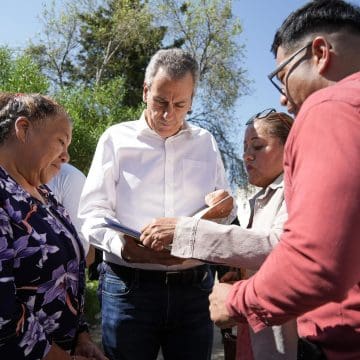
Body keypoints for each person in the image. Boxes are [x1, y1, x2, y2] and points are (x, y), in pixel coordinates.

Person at [207, 1, 360, 359]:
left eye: (282, 76)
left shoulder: (330, 104)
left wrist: (238, 299)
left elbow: (317, 259)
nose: (282, 98)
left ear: (320, 53)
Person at [78, 48, 236, 360]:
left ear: (192, 100)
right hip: (128, 288)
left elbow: (225, 210)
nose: (169, 114)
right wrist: (124, 246)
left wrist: (223, 205)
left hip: (193, 290)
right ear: (145, 91)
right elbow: (91, 213)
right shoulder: (115, 139)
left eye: (180, 105)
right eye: (160, 102)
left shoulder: (206, 143)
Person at [140, 109, 298, 359]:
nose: (247, 155)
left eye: (257, 147)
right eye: (246, 147)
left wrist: (186, 231)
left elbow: (277, 248)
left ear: (290, 148)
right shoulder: (262, 197)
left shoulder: (296, 190)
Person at [0, 93, 106, 359]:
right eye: (61, 141)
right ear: (23, 129)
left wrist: (81, 337)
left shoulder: (45, 195)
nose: (66, 156)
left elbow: (68, 276)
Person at [47, 162, 95, 267]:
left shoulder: (69, 176)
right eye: (61, 144)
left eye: (65, 144)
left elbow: (84, 253)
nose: (65, 156)